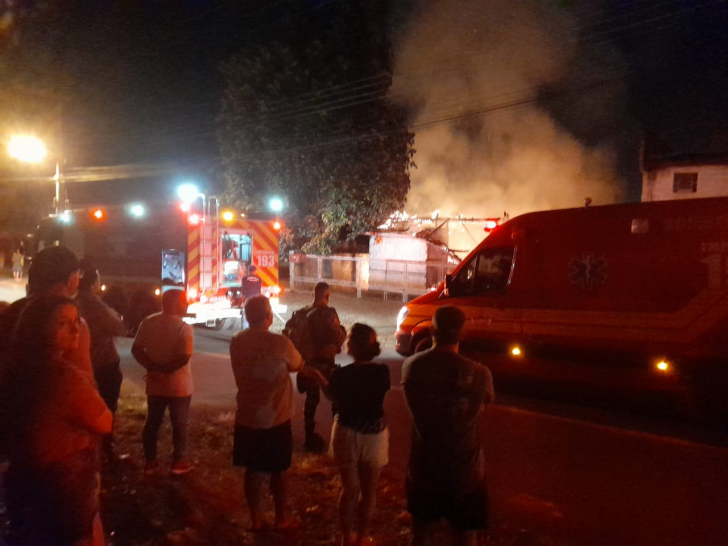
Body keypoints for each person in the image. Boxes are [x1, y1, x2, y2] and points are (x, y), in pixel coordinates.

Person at [0, 295, 112, 545]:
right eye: (63, 323)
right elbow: (105, 421)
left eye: (77, 321)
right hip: (63, 490)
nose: (75, 330)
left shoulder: (15, 371)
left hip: (22, 485)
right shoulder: (64, 377)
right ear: (39, 328)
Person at [229, 295, 325, 530]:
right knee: (279, 471)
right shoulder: (280, 344)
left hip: (247, 416)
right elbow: (297, 365)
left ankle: (255, 519)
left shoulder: (237, 341)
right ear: (267, 316)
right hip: (275, 417)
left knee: (252, 471)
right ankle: (281, 518)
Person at [401, 306, 495, 546]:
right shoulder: (480, 373)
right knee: (465, 537)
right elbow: (486, 401)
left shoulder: (411, 366)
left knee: (421, 535)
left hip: (424, 470)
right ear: (463, 334)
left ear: (432, 330)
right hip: (465, 472)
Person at [326, 323, 390, 546]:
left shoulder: (340, 375)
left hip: (347, 433)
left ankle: (345, 538)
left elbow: (334, 397)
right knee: (369, 492)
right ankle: (362, 538)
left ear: (351, 345)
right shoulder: (382, 373)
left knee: (349, 489)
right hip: (374, 436)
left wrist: (317, 377)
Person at [131, 289, 194, 476]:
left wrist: (152, 367)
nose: (186, 304)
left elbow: (137, 349)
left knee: (152, 422)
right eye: (183, 301)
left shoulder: (148, 322)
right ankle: (179, 462)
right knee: (180, 424)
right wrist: (164, 370)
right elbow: (183, 357)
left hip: (155, 384)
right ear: (174, 304)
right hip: (179, 386)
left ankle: (150, 462)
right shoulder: (184, 328)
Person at [76, 260, 127, 459]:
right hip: (103, 364)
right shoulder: (96, 305)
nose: (100, 283)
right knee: (106, 408)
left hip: (83, 363)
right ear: (92, 284)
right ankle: (105, 448)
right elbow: (119, 328)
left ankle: (89, 446)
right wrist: (115, 315)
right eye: (98, 280)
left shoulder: (73, 301)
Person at [298, 281, 346, 452]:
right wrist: (343, 330)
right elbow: (339, 337)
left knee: (311, 401)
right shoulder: (329, 313)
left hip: (308, 364)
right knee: (335, 399)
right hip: (326, 365)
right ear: (327, 296)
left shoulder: (302, 313)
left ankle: (309, 435)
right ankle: (336, 439)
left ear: (313, 294)